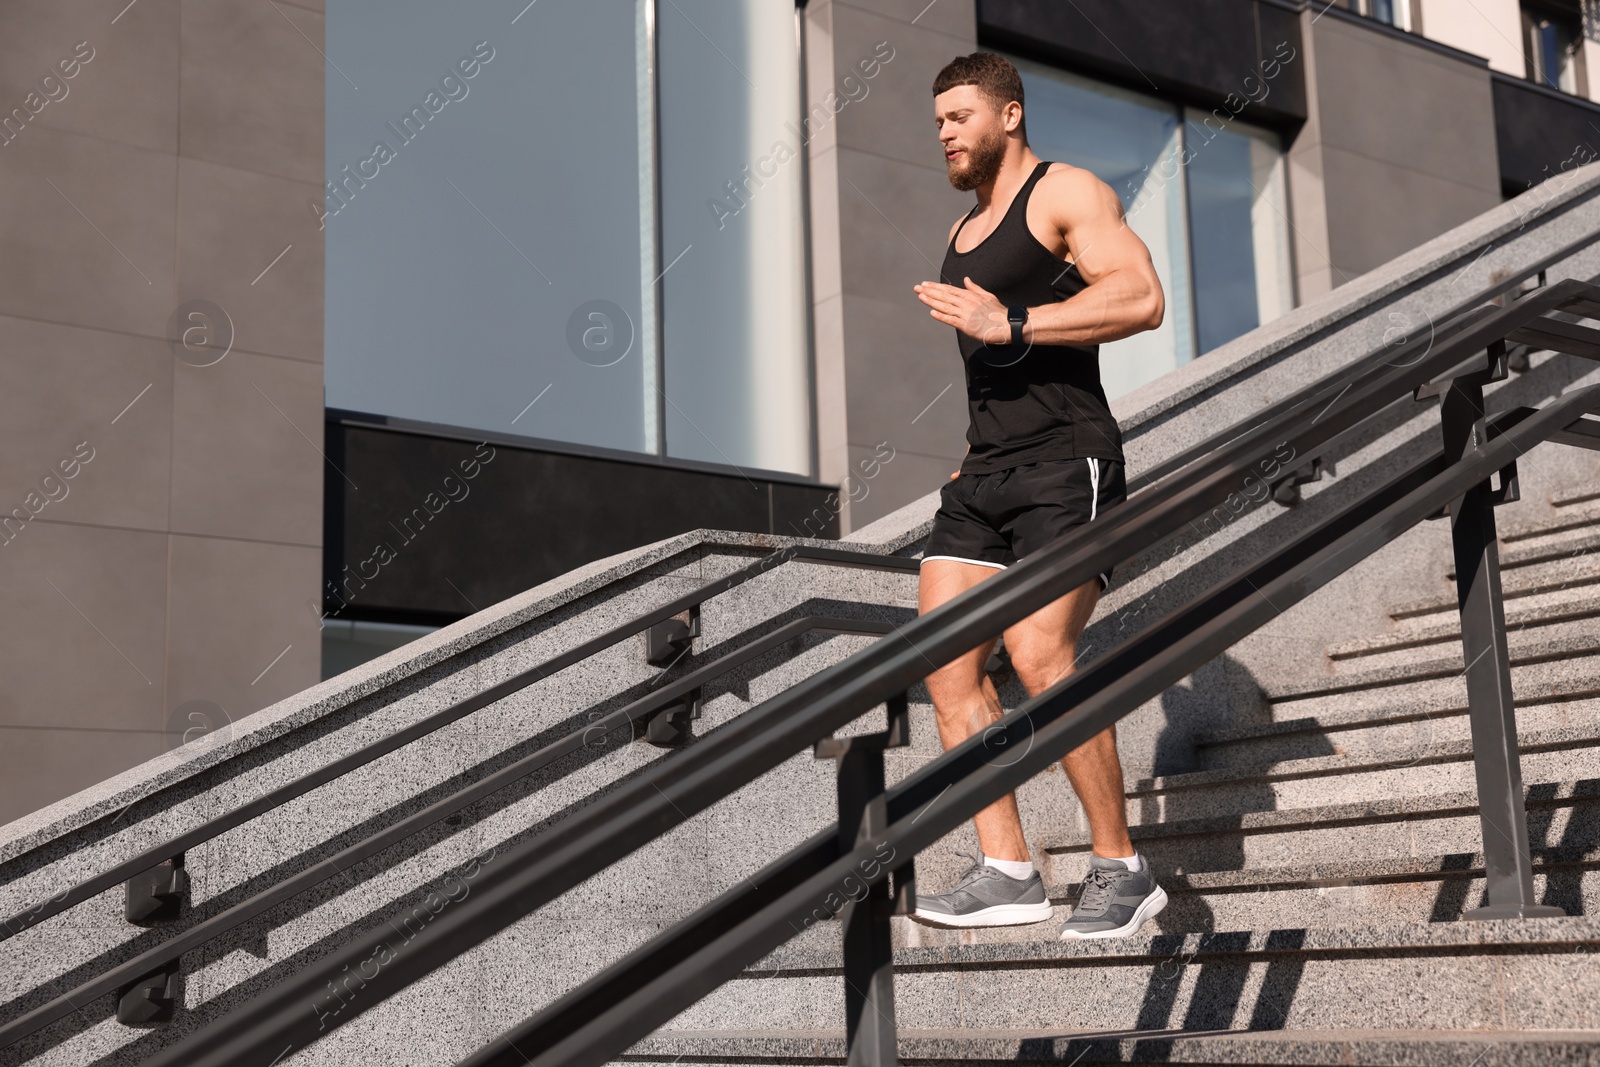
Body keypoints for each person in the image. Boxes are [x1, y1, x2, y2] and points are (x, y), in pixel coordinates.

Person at [909, 53, 1167, 939]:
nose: (944, 130)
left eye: (959, 115)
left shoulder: (1066, 193)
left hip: (1067, 462)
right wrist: (968, 457)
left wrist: (1012, 321)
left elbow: (1141, 297)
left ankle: (1120, 866)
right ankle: (1009, 869)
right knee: (947, 668)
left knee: (1039, 655)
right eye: (938, 118)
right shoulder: (964, 229)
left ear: (1009, 115)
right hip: (985, 477)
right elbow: (995, 378)